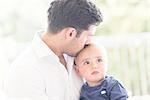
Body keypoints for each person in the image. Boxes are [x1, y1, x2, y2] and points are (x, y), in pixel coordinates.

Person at [3, 0, 103, 100]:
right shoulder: (25, 71)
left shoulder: (78, 56)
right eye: (88, 36)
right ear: (70, 33)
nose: (89, 42)